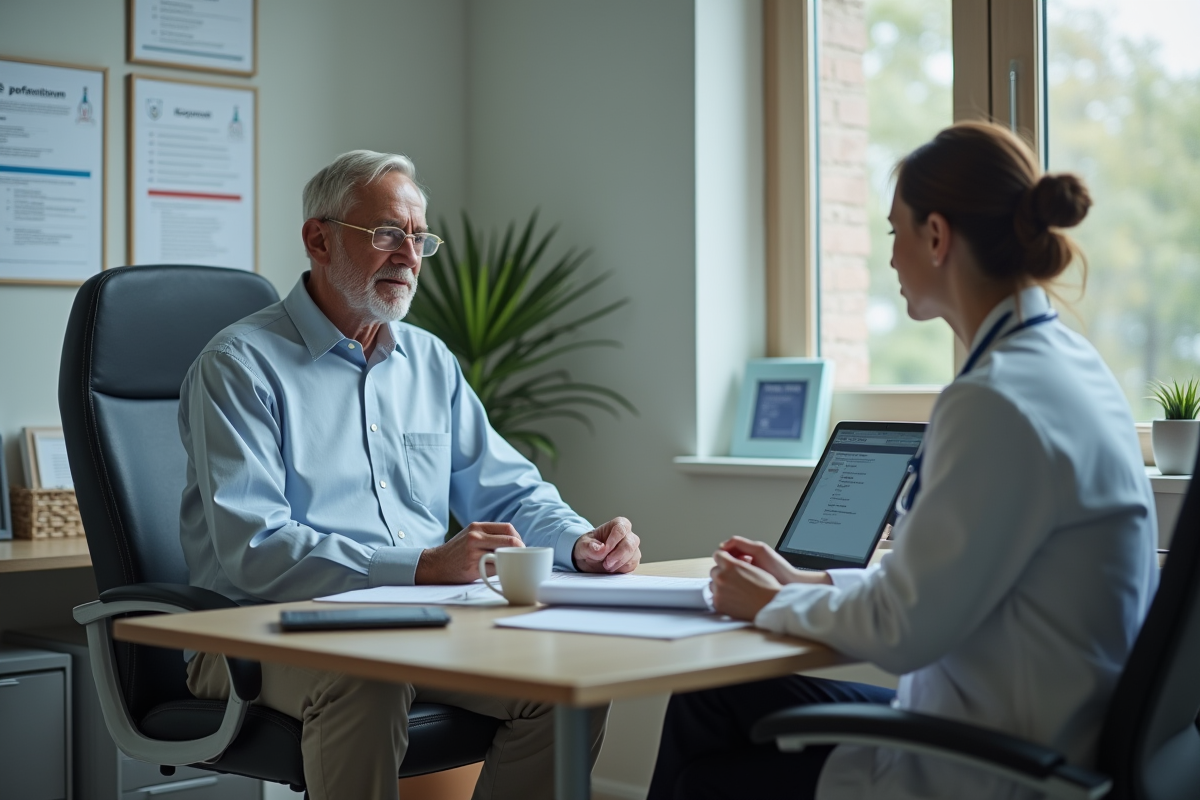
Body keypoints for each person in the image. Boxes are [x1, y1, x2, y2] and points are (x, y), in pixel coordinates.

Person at [648, 121, 1158, 800]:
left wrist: (773, 603)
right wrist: (808, 583)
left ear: (938, 237)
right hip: (1036, 724)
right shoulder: (1068, 366)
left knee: (704, 780)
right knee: (708, 700)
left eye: (895, 233)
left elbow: (902, 630)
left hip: (995, 762)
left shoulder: (995, 403)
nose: (889, 258)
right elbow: (938, 581)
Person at [178, 150, 642, 800]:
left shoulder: (429, 361)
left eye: (419, 238)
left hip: (419, 626)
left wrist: (577, 541)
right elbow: (255, 547)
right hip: (255, 636)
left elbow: (508, 488)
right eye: (387, 234)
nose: (408, 255)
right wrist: (420, 566)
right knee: (366, 676)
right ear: (319, 238)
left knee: (564, 687)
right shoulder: (239, 365)